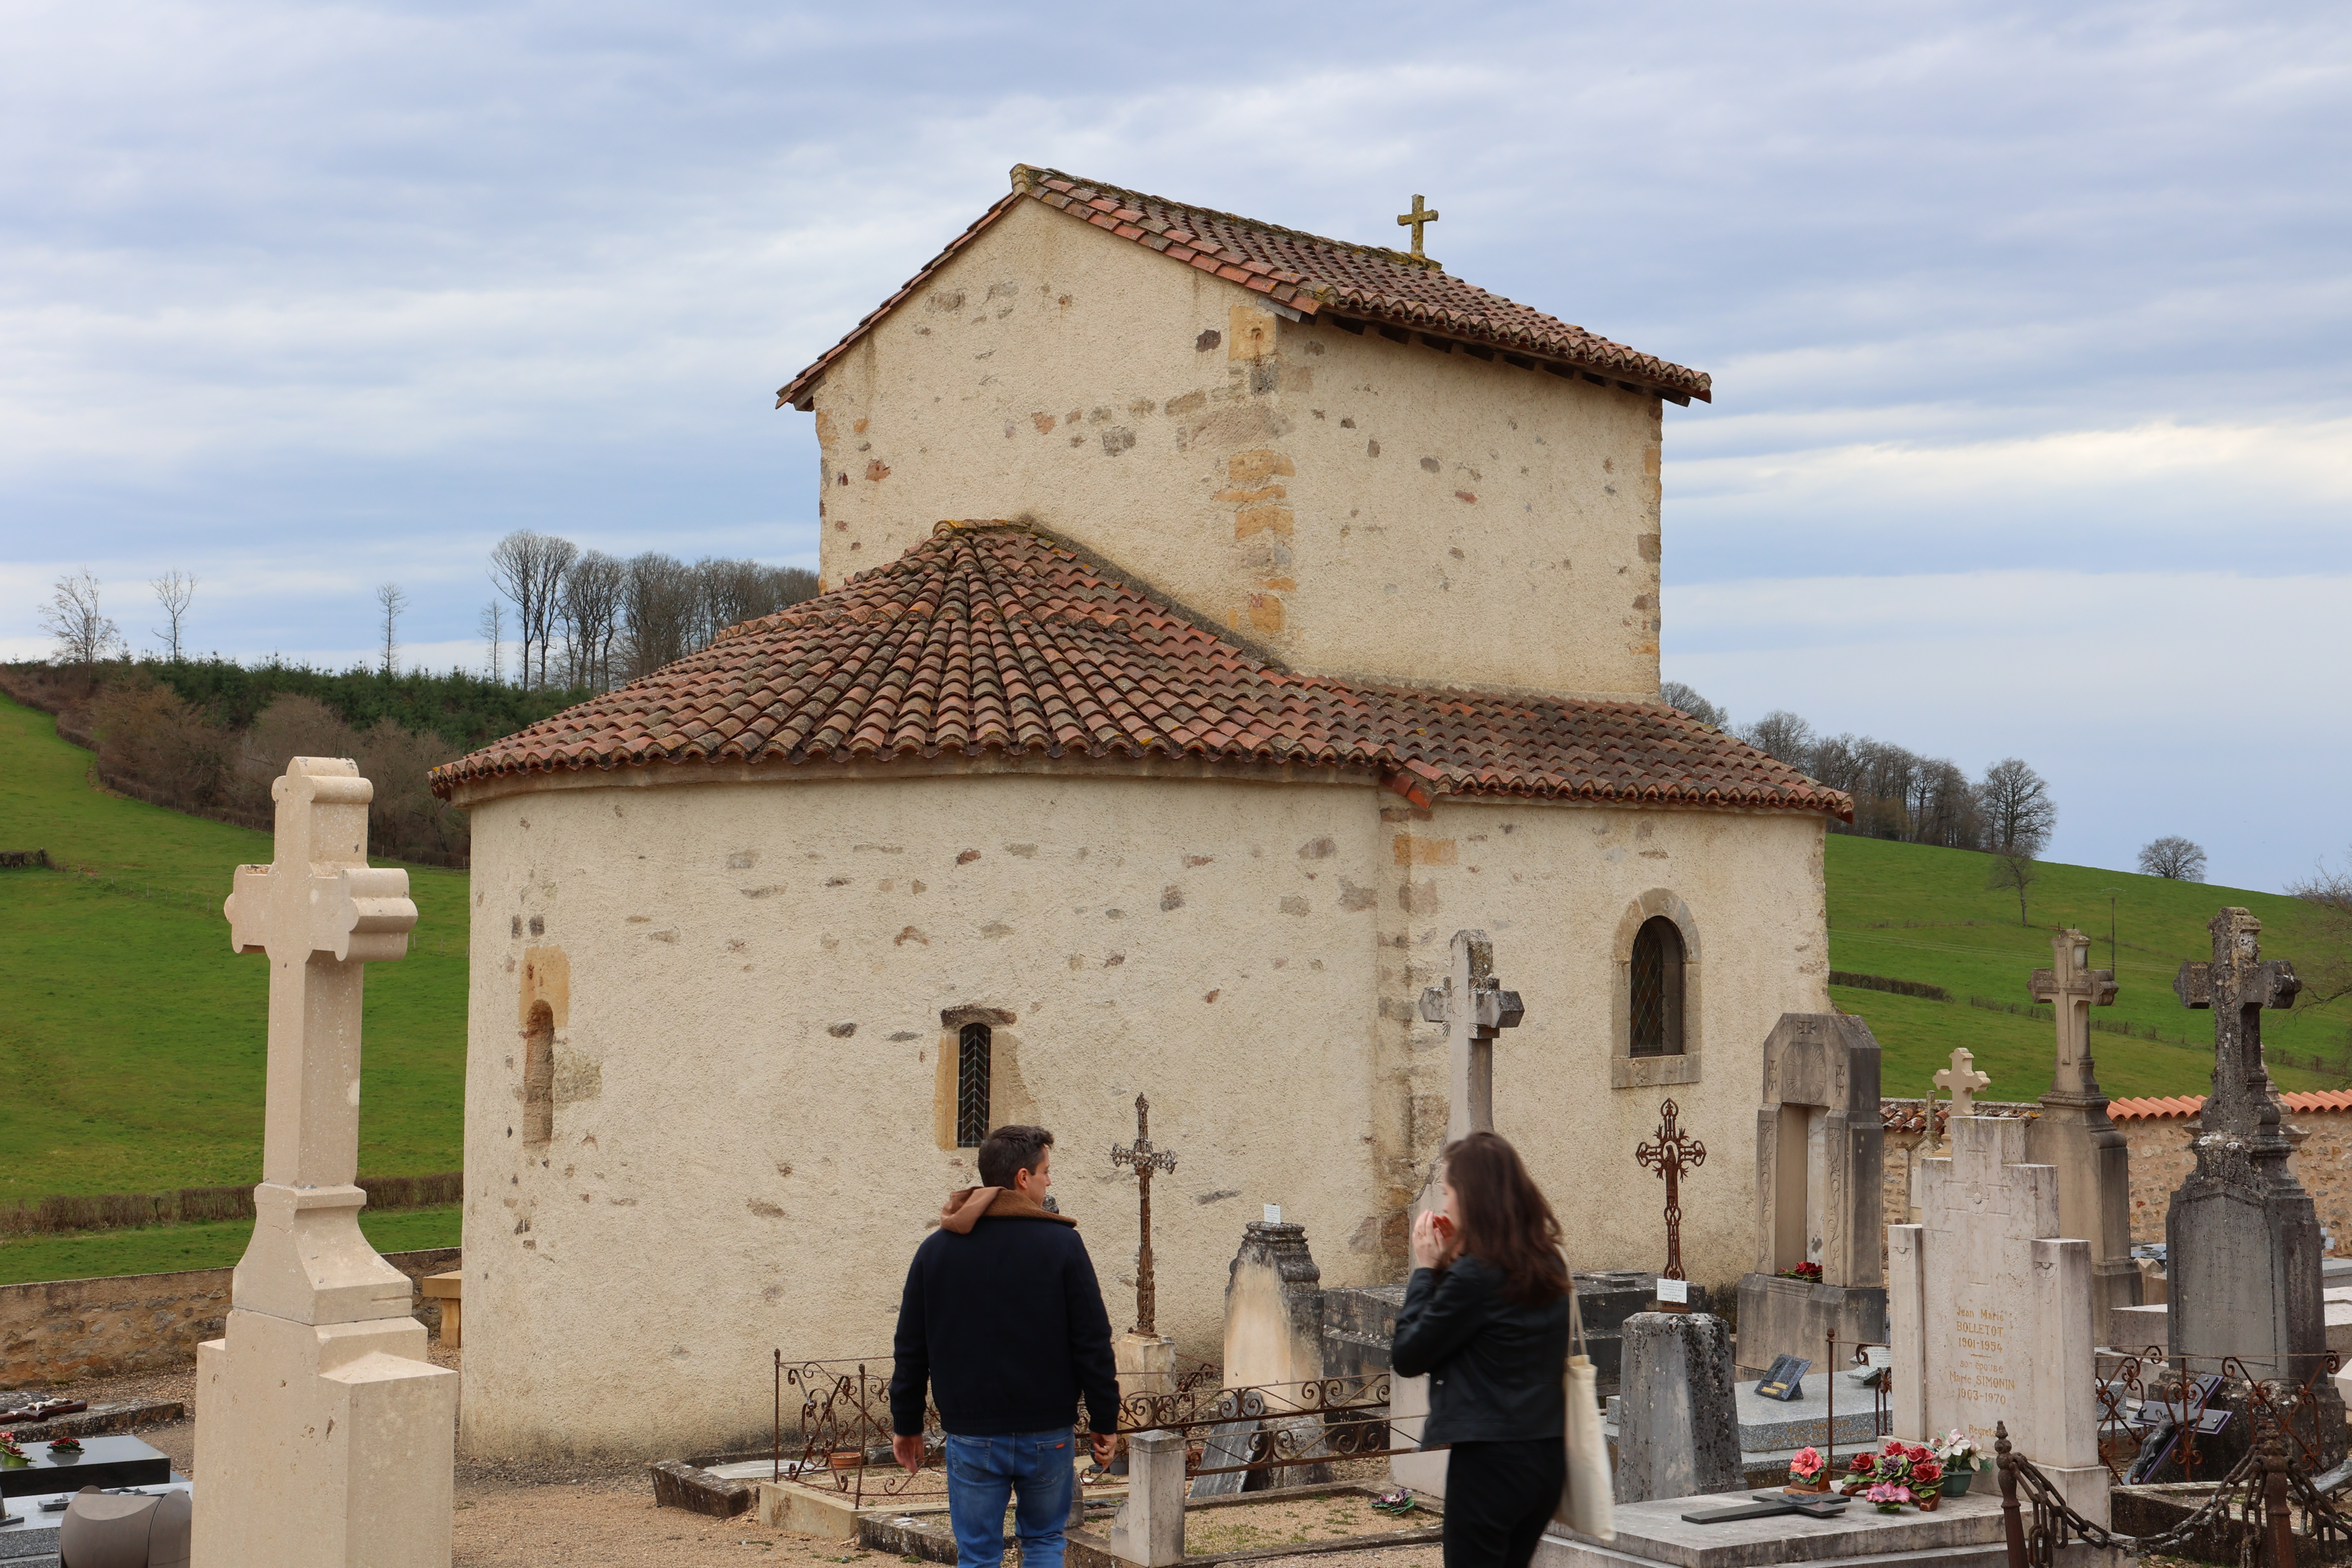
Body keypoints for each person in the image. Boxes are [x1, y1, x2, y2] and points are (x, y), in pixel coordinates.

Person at [890, 1125, 1121, 1568]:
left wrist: (907, 1424)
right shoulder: (1063, 1245)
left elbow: (911, 1348)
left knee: (977, 1556)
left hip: (973, 1434)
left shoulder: (936, 1252)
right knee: (1044, 1543)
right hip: (1047, 1434)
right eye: (1046, 1173)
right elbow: (1092, 1342)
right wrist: (1105, 1419)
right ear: (1021, 1178)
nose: (1049, 1182)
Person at [1392, 1130, 1572, 1568]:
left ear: (1473, 1196)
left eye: (1449, 1191)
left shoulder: (1475, 1276)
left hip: (1491, 1462)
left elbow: (1410, 1354)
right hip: (1545, 1457)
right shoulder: (1547, 1263)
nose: (1445, 1203)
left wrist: (1426, 1272)